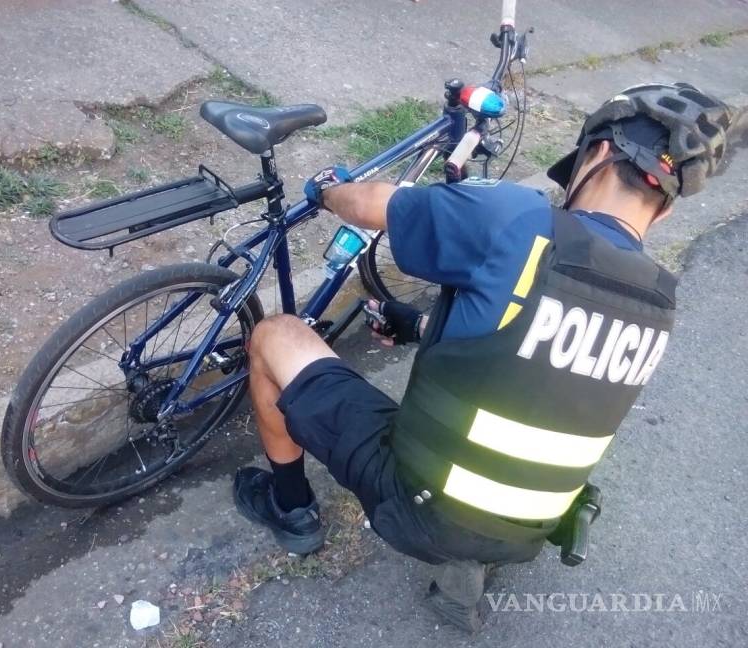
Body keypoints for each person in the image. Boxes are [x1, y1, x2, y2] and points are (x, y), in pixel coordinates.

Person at [232, 83, 730, 630]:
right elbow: (537, 365)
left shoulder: (520, 221)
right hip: (531, 527)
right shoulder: (659, 301)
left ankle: (291, 509)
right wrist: (422, 325)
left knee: (275, 335)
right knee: (481, 465)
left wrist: (329, 189)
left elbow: (376, 206)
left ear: (599, 154)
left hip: (420, 504)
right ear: (661, 214)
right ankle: (465, 567)